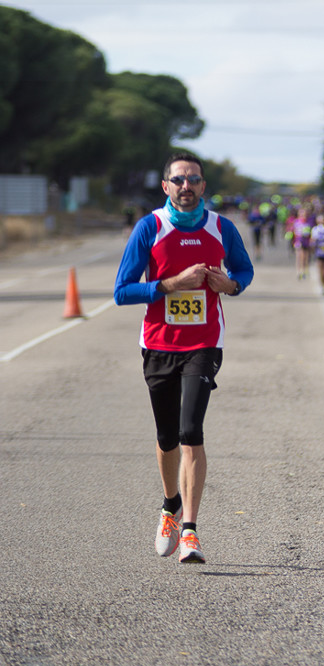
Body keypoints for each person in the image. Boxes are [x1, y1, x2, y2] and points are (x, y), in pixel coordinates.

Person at [113, 153, 254, 564]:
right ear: (166, 186)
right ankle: (170, 504)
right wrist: (171, 284)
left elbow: (244, 273)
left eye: (193, 179)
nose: (186, 186)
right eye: (179, 180)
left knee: (192, 430)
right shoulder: (150, 227)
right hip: (158, 342)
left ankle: (190, 531)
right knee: (167, 436)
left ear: (203, 186)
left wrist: (230, 284)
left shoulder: (221, 228)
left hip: (204, 344)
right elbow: (122, 291)